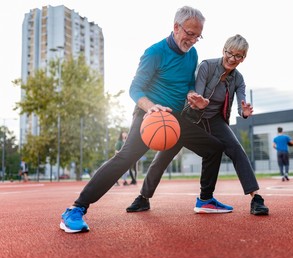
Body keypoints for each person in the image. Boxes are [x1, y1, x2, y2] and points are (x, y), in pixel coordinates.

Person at [60, 6, 229, 233]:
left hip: (176, 117)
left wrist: (192, 96)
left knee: (214, 148)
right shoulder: (155, 52)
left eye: (198, 36)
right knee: (125, 158)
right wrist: (151, 108)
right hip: (149, 114)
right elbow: (135, 89)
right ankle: (76, 208)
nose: (193, 40)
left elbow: (188, 83)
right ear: (176, 27)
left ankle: (205, 200)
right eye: (189, 33)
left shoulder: (192, 54)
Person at [127, 34, 269, 215]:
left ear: (244, 58)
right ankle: (143, 198)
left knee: (235, 149)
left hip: (215, 121)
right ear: (223, 50)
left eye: (238, 56)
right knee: (164, 155)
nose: (232, 59)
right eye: (230, 53)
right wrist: (198, 102)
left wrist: (244, 112)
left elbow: (242, 102)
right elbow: (196, 97)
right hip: (193, 117)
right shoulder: (207, 66)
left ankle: (255, 198)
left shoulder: (238, 79)